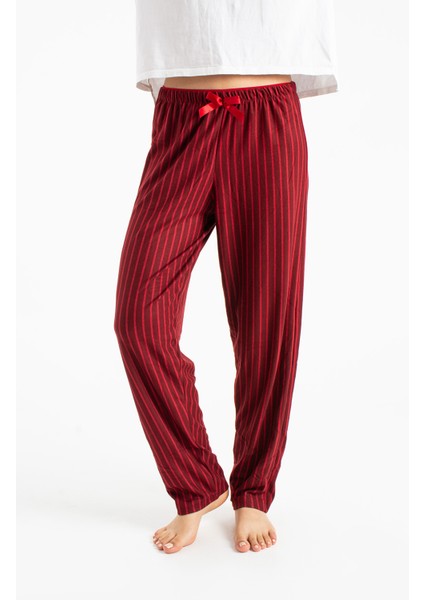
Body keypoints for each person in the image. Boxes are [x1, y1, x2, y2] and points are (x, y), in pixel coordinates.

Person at [114, 0, 339, 554]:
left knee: (267, 322)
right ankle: (196, 484)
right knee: (138, 319)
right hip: (181, 118)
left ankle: (255, 489)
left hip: (267, 115)